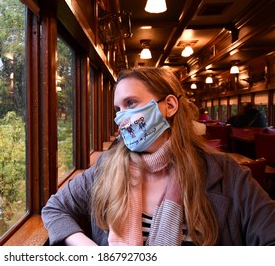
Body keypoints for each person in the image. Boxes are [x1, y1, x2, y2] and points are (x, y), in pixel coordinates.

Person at [42, 67, 275, 246]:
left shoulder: (228, 174)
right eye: (118, 109)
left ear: (170, 105)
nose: (121, 118)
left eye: (131, 103)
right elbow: (54, 209)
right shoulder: (106, 168)